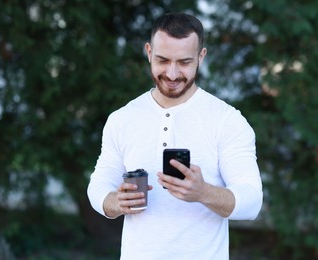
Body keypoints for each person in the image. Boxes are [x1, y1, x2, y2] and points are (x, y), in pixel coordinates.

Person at [87, 12, 263, 259]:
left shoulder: (227, 120)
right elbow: (98, 183)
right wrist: (114, 202)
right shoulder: (122, 119)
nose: (171, 74)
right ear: (148, 52)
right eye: (162, 60)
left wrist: (203, 192)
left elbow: (252, 202)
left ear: (201, 57)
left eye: (183, 62)